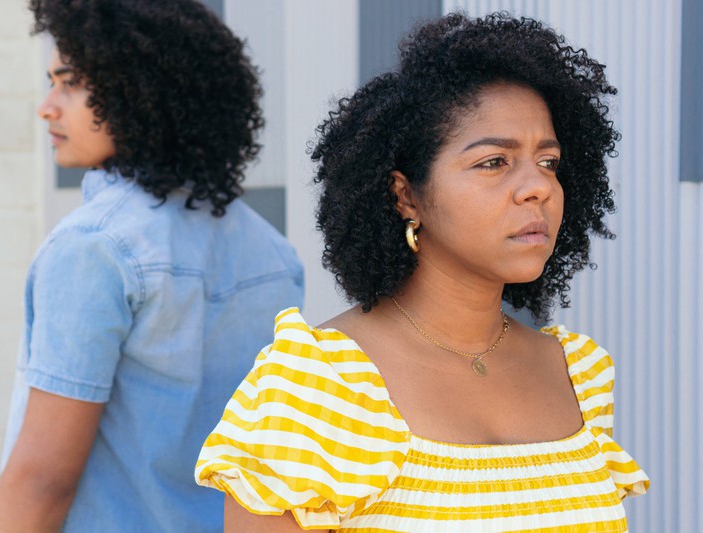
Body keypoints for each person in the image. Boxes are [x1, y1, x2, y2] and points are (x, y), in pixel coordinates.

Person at [196, 12, 649, 532]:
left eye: (547, 162)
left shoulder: (578, 374)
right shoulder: (318, 387)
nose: (538, 188)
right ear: (406, 195)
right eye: (494, 162)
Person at [0, 0, 303, 531]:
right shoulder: (273, 252)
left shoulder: (93, 247)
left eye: (69, 83)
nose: (47, 107)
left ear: (137, 89)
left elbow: (43, 478)